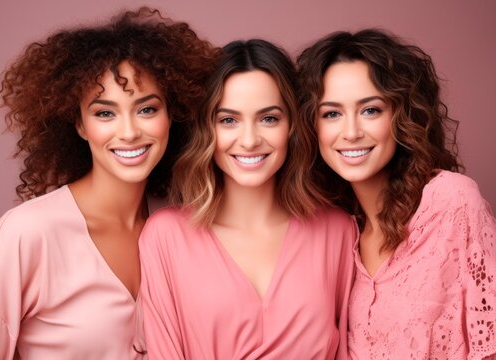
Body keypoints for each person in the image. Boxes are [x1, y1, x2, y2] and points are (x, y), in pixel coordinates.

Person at [0, 8, 218, 359]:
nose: (129, 132)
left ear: (173, 115)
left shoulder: (184, 228)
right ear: (80, 125)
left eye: (147, 109)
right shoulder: (27, 234)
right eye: (104, 113)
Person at [297, 29, 496, 359]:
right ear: (311, 126)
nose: (350, 132)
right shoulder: (339, 231)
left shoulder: (452, 202)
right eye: (331, 113)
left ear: (401, 115)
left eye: (370, 110)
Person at [139, 39, 357, 359]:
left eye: (268, 118)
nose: (250, 139)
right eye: (228, 120)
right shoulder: (166, 236)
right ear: (206, 130)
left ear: (292, 126)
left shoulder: (337, 231)